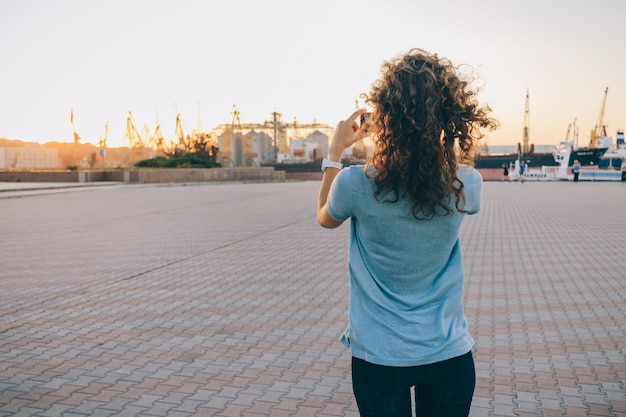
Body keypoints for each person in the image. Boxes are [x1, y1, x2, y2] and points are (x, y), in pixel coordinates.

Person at [316, 48, 497, 417]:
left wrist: (335, 152)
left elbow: (325, 218)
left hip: (379, 357)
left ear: (385, 116)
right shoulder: (467, 183)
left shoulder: (355, 184)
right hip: (448, 353)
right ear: (450, 116)